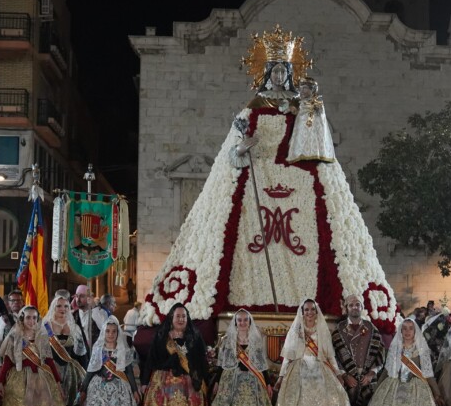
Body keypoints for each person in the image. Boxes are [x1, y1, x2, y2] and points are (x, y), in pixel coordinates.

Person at [140, 27, 398, 329]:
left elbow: (316, 142)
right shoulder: (253, 108)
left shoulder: (301, 106)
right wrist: (243, 147)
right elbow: (232, 155)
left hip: (299, 183)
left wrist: (310, 114)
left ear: (288, 73)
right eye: (273, 70)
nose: (277, 75)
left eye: (282, 70)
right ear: (266, 73)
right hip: (256, 183)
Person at [275, 298, 355, 406]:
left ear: (316, 312)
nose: (310, 312)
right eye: (307, 310)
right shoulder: (296, 330)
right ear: (302, 312)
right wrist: (281, 377)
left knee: (332, 402)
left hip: (320, 371)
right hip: (299, 372)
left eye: (312, 309)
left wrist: (338, 375)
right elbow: (288, 357)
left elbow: (330, 355)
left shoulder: (322, 330)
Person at [141, 302, 208, 406]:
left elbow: (202, 362)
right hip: (164, 385)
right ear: (171, 318)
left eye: (184, 316)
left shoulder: (195, 337)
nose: (181, 319)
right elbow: (151, 360)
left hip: (188, 387)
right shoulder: (161, 336)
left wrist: (205, 380)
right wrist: (144, 382)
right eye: (178, 316)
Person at [208, 309, 279, 406]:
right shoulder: (228, 341)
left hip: (254, 381)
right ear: (235, 322)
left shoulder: (256, 340)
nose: (242, 323)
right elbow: (221, 364)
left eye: (245, 320)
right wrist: (217, 382)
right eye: (239, 320)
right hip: (231, 380)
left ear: (249, 322)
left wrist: (267, 383)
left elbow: (262, 364)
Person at [79, 315, 145, 406]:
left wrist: (135, 390)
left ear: (117, 333)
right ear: (104, 332)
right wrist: (83, 389)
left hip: (119, 388)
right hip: (99, 388)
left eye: (114, 331)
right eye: (108, 331)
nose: (110, 334)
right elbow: (91, 370)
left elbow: (128, 371)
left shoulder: (123, 350)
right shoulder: (98, 349)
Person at [332, 294, 385, 406]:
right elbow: (333, 356)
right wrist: (344, 375)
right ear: (346, 308)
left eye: (357, 304)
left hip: (367, 379)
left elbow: (380, 353)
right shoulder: (339, 330)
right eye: (351, 305)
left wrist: (371, 374)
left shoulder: (371, 328)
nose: (354, 307)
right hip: (348, 380)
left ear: (362, 307)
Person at [43, 294, 88, 406]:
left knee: (71, 405)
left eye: (66, 306)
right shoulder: (45, 326)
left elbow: (82, 354)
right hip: (50, 370)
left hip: (70, 371)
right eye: (59, 306)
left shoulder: (75, 327)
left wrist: (86, 374)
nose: (62, 309)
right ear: (53, 307)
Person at [0, 290, 23, 369]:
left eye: (18, 300)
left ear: (22, 302)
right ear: (8, 303)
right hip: (7, 363)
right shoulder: (3, 320)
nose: (16, 302)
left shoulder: (29, 318)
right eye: (13, 300)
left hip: (26, 362)